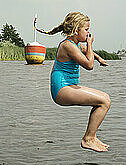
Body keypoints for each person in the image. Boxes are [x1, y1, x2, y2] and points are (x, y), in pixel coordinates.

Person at [37, 12, 111, 152]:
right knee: (104, 101)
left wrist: (100, 58)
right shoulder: (68, 46)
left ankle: (92, 137)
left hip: (68, 86)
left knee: (104, 100)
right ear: (77, 30)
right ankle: (88, 139)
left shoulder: (74, 44)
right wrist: (90, 43)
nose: (89, 33)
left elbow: (87, 52)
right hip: (61, 89)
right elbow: (89, 65)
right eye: (86, 30)